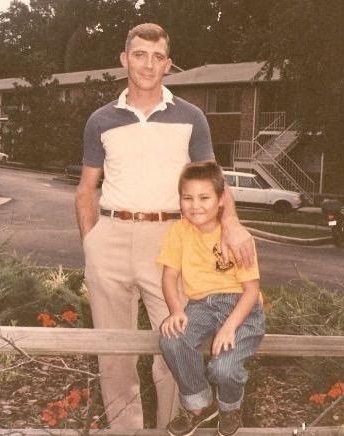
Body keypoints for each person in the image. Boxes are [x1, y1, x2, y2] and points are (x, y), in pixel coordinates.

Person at [75, 23, 255, 430]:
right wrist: (92, 243)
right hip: (112, 236)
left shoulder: (191, 117)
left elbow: (214, 183)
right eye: (140, 54)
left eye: (158, 57)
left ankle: (176, 427)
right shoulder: (101, 120)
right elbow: (87, 189)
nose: (148, 64)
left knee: (176, 347)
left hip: (170, 241)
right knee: (114, 353)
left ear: (168, 65)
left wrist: (234, 226)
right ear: (125, 59)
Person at [159, 162, 265, 436]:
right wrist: (174, 311)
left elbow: (251, 291)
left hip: (241, 306)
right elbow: (169, 277)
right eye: (188, 198)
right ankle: (199, 406)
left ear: (221, 200)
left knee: (224, 368)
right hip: (200, 305)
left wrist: (230, 326)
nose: (195, 205)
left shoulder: (238, 238)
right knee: (171, 338)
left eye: (204, 198)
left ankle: (230, 407)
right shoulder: (179, 231)